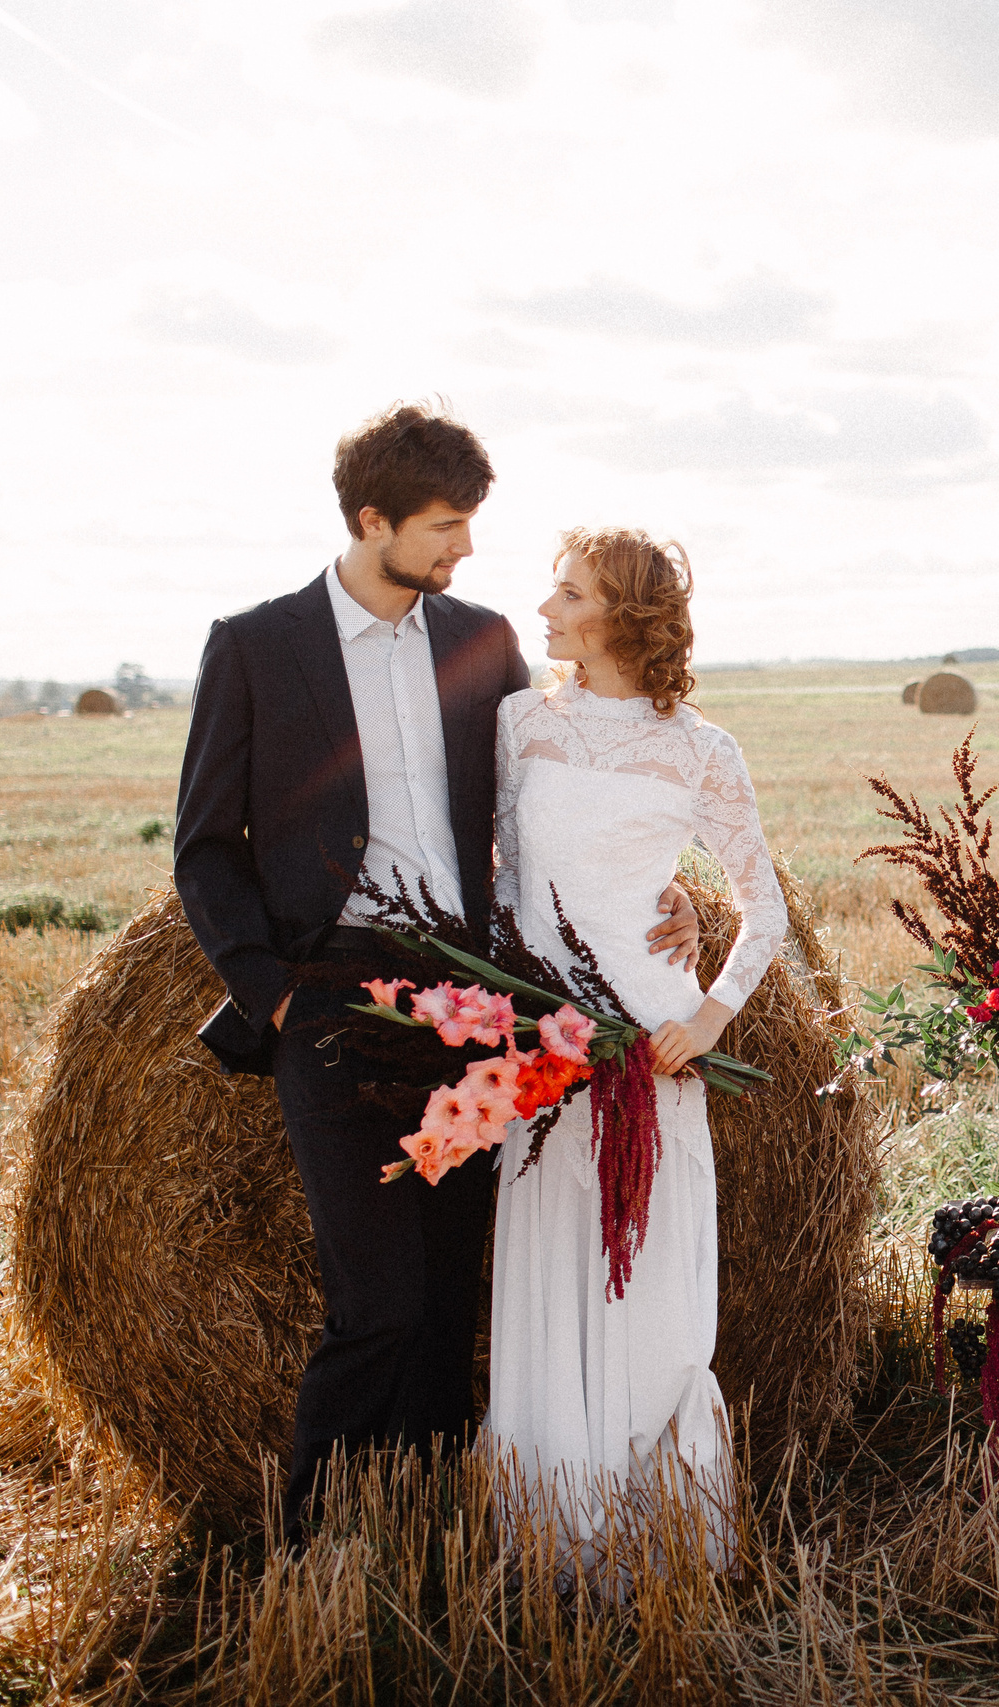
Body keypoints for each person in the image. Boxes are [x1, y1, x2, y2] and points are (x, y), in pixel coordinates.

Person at [172, 402, 700, 1535]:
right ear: (373, 520)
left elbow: (561, 794)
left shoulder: (481, 640)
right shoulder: (257, 647)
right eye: (445, 527)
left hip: (474, 1000)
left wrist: (670, 900)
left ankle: (427, 1533)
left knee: (453, 1289)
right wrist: (268, 985)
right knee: (376, 1299)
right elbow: (205, 848)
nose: (464, 549)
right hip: (332, 997)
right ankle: (310, 1547)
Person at [483, 526, 780, 1570]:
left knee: (646, 1289)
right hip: (549, 1047)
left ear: (621, 614)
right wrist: (517, 1015)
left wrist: (703, 1020)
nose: (547, 606)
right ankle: (554, 1535)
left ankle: (656, 1542)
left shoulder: (701, 747)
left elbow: (766, 910)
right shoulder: (520, 723)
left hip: (655, 1049)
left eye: (568, 592)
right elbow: (504, 888)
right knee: (554, 1270)